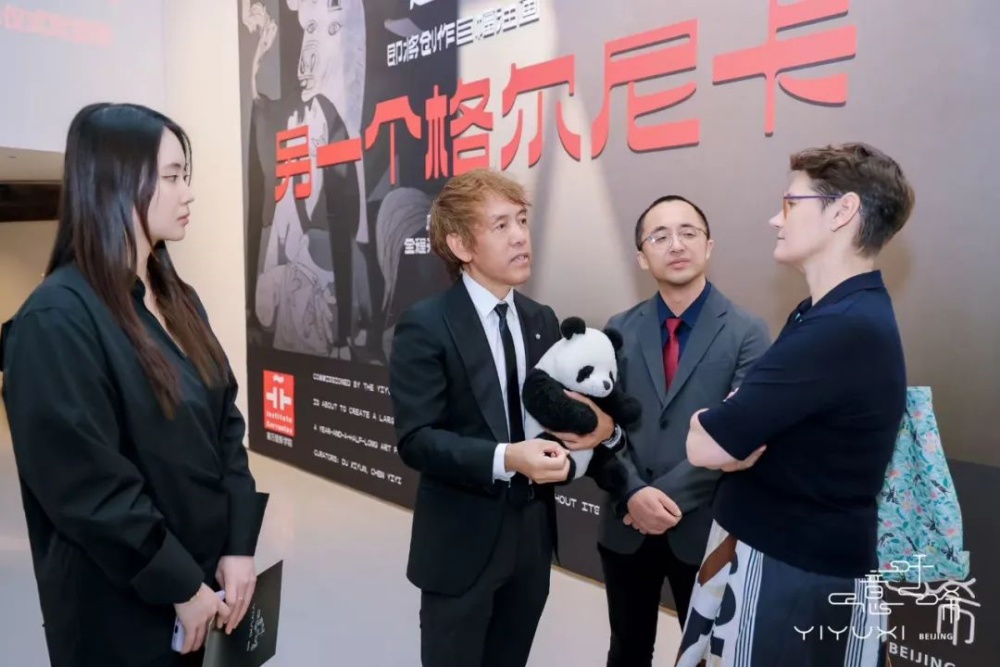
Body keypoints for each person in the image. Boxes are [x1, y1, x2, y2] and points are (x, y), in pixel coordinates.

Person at [0, 103, 269, 667]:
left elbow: (225, 424)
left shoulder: (177, 297)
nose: (187, 193)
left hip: (207, 583)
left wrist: (239, 546)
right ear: (114, 184)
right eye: (171, 177)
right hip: (125, 607)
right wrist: (181, 585)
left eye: (184, 175)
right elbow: (87, 487)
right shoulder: (56, 319)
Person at [677, 143, 914, 666]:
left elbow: (707, 444)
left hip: (792, 574)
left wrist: (707, 422)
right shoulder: (826, 313)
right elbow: (733, 433)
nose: (774, 219)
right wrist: (729, 431)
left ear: (843, 211)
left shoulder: (842, 327)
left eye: (790, 203)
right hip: (778, 555)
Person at [389, 168, 621, 667]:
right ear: (460, 244)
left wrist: (601, 430)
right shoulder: (426, 325)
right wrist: (507, 458)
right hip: (460, 541)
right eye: (500, 225)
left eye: (521, 220)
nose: (519, 236)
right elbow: (417, 439)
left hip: (532, 536)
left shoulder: (541, 319)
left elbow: (562, 411)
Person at [597, 196, 771, 666]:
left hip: (706, 529)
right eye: (660, 236)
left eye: (688, 233)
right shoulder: (618, 328)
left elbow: (742, 436)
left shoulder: (747, 332)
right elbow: (602, 425)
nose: (676, 245)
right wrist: (632, 493)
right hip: (626, 524)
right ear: (641, 256)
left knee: (706, 657)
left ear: (709, 246)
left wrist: (658, 499)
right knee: (626, 649)